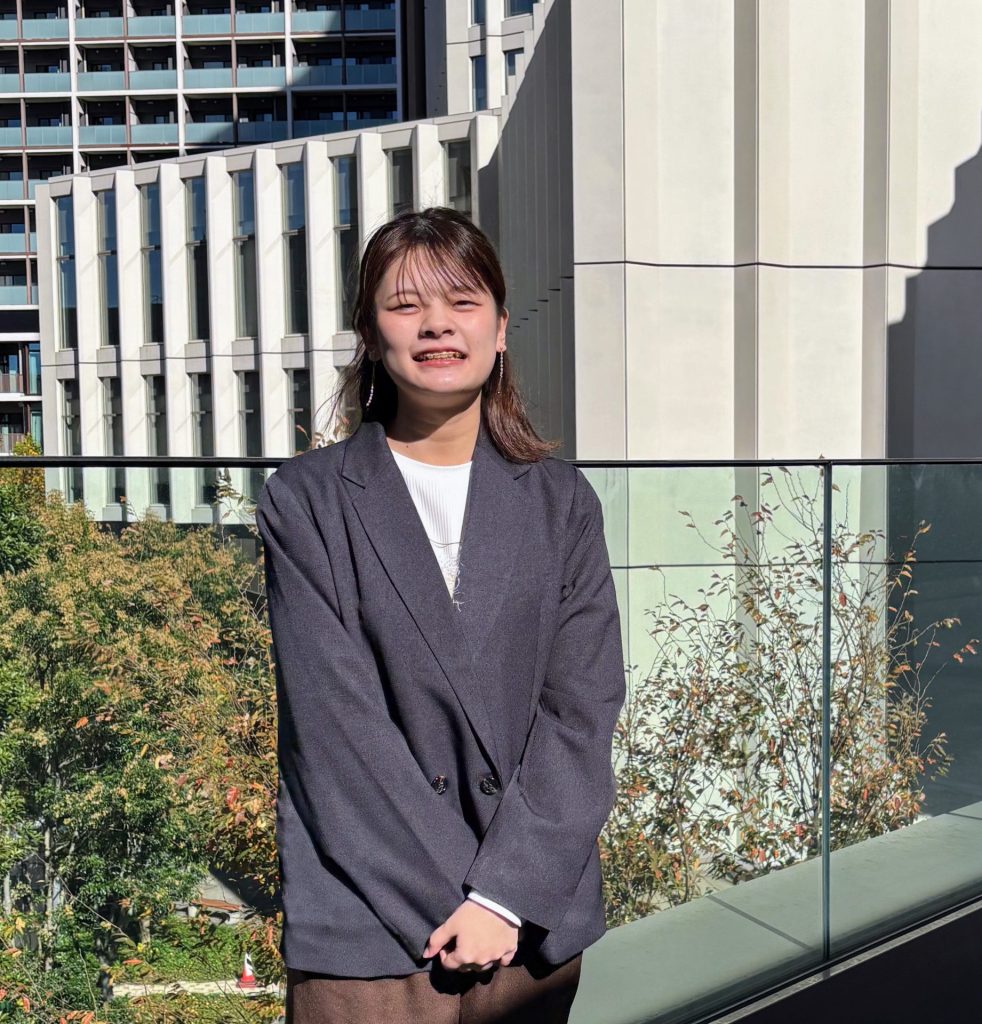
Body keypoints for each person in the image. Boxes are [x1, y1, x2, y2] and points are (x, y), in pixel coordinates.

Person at [255, 206, 626, 1023]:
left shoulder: (561, 501)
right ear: (369, 332)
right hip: (368, 925)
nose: (436, 325)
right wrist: (468, 900)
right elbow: (334, 727)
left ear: (500, 328)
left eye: (462, 301)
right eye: (405, 304)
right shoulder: (306, 501)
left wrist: (505, 894)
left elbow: (581, 709)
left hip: (530, 922)